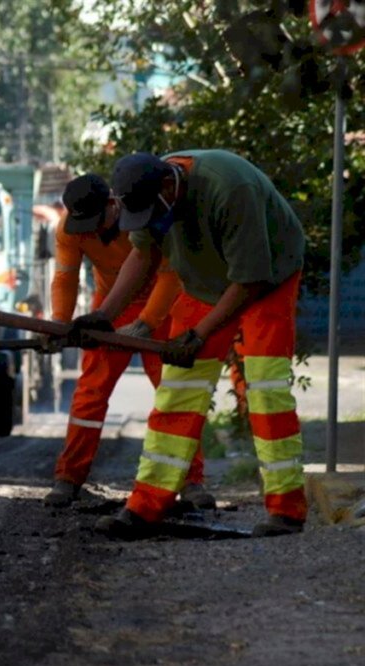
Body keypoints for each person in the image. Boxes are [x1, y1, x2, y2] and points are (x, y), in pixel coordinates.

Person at [70, 150, 306, 538]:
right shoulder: (146, 191)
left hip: (267, 280)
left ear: (169, 186)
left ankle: (287, 510)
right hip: (205, 282)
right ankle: (146, 506)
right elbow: (143, 254)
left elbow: (250, 280)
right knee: (177, 391)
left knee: (265, 389)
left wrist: (199, 334)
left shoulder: (231, 189)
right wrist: (105, 315)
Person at [42, 174, 215, 510]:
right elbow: (65, 277)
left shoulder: (144, 217)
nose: (89, 231)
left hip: (162, 307)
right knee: (90, 394)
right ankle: (69, 478)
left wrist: (147, 323)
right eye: (83, 224)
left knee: (175, 393)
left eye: (96, 221)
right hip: (110, 309)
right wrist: (60, 324)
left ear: (112, 204)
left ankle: (192, 481)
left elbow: (170, 275)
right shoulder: (69, 229)